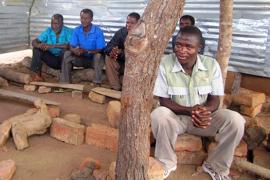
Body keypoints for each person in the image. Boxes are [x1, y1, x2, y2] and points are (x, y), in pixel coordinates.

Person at [151, 26, 245, 179]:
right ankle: (166, 163)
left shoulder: (211, 65)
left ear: (199, 48)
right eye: (178, 45)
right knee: (159, 114)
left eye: (189, 46)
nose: (182, 50)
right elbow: (164, 101)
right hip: (177, 119)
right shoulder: (164, 64)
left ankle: (216, 166)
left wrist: (204, 111)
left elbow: (215, 99)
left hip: (204, 119)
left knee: (236, 120)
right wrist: (190, 111)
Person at [60, 8, 105, 84]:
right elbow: (71, 45)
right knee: (67, 54)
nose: (83, 20)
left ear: (91, 19)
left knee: (98, 56)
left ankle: (96, 83)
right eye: (82, 18)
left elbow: (100, 49)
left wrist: (86, 51)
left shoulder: (98, 31)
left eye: (86, 18)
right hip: (81, 59)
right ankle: (65, 82)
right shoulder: (77, 30)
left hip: (92, 60)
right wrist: (74, 50)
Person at [103, 12, 140, 90]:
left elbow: (137, 55)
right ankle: (115, 87)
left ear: (138, 24)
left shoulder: (142, 36)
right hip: (122, 64)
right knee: (108, 57)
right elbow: (107, 48)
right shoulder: (121, 32)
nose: (128, 25)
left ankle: (131, 88)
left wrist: (121, 52)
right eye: (127, 22)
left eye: (132, 23)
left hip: (134, 67)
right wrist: (113, 51)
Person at [30, 14, 73, 81]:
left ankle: (63, 75)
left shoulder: (69, 31)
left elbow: (71, 46)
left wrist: (52, 46)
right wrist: (39, 45)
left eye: (57, 23)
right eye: (52, 23)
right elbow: (34, 41)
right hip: (52, 60)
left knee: (66, 51)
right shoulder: (48, 31)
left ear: (62, 23)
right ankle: (36, 75)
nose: (54, 26)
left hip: (64, 61)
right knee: (36, 49)